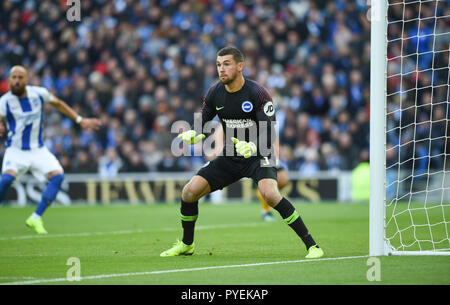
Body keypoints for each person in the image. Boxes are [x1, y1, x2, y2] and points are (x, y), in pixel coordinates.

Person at [160, 47, 324, 259]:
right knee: (189, 192)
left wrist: (254, 146)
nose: (221, 69)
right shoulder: (214, 93)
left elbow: (268, 131)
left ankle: (312, 245)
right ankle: (186, 244)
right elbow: (204, 120)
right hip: (232, 154)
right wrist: (195, 132)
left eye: (226, 64)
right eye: (218, 64)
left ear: (240, 66)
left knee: (270, 194)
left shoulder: (258, 93)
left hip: (260, 154)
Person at [0, 66, 101, 234]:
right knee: (6, 180)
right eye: (13, 77)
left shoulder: (39, 93)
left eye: (20, 77)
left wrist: (80, 120)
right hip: (16, 150)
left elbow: (58, 104)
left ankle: (36, 217)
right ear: (9, 80)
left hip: (38, 150)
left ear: (26, 80)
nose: (16, 81)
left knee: (58, 176)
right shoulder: (4, 102)